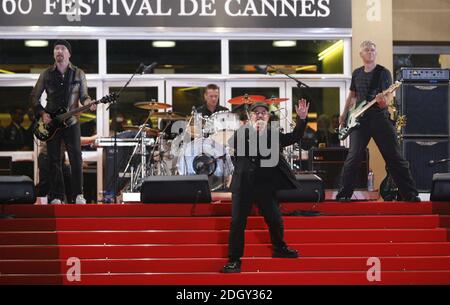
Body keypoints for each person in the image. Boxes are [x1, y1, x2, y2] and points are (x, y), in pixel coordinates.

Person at [221, 99, 309, 273]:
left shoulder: (273, 134)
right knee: (238, 222)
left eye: (263, 113)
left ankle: (279, 248)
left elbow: (294, 137)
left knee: (275, 219)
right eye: (256, 113)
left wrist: (302, 119)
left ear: (268, 117)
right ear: (250, 116)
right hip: (243, 185)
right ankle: (234, 260)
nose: (260, 115)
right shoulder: (241, 133)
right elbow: (235, 145)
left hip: (265, 186)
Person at [336, 40, 420, 202]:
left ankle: (410, 194)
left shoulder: (383, 72)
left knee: (394, 156)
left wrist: (383, 101)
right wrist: (344, 114)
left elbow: (387, 97)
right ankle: (344, 195)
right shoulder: (357, 73)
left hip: (379, 118)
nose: (370, 52)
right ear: (361, 54)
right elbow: (352, 96)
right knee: (353, 157)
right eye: (367, 50)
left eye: (373, 50)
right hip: (359, 121)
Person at [30, 39, 96, 204]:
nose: (59, 51)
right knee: (54, 160)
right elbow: (34, 97)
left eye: (62, 49)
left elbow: (84, 97)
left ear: (69, 53)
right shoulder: (46, 73)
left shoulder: (78, 73)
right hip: (52, 124)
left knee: (76, 158)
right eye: (56, 49)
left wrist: (89, 103)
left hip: (72, 122)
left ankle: (78, 195)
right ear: (54, 53)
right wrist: (42, 113)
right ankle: (57, 196)